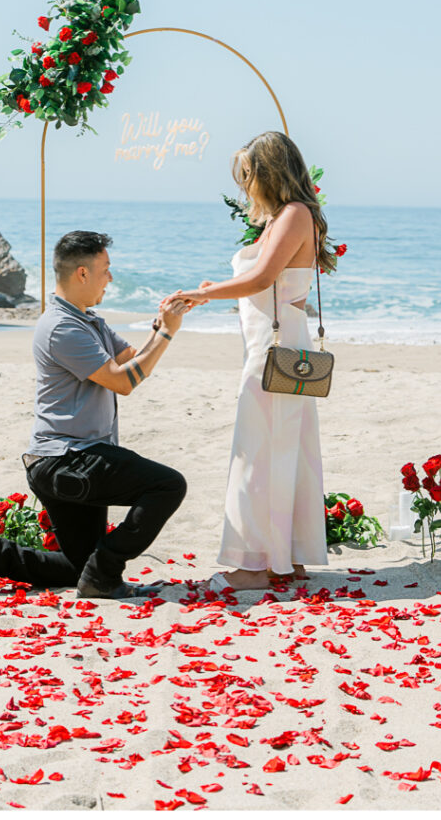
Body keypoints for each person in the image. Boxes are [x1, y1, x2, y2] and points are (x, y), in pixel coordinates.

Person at [0, 230, 187, 599]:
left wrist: (161, 326)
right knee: (167, 485)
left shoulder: (87, 320)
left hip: (69, 458)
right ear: (82, 273)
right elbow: (122, 382)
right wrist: (168, 337)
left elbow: (129, 359)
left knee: (79, 567)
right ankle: (106, 572)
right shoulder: (62, 327)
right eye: (105, 270)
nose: (110, 278)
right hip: (69, 458)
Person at [165, 131, 334, 592]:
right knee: (283, 446)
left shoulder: (294, 215)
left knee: (257, 450)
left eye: (248, 175)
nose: (245, 187)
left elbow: (261, 278)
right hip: (281, 340)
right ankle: (286, 557)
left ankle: (254, 564)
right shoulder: (291, 216)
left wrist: (202, 293)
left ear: (269, 172)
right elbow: (267, 286)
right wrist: (217, 289)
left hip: (274, 349)